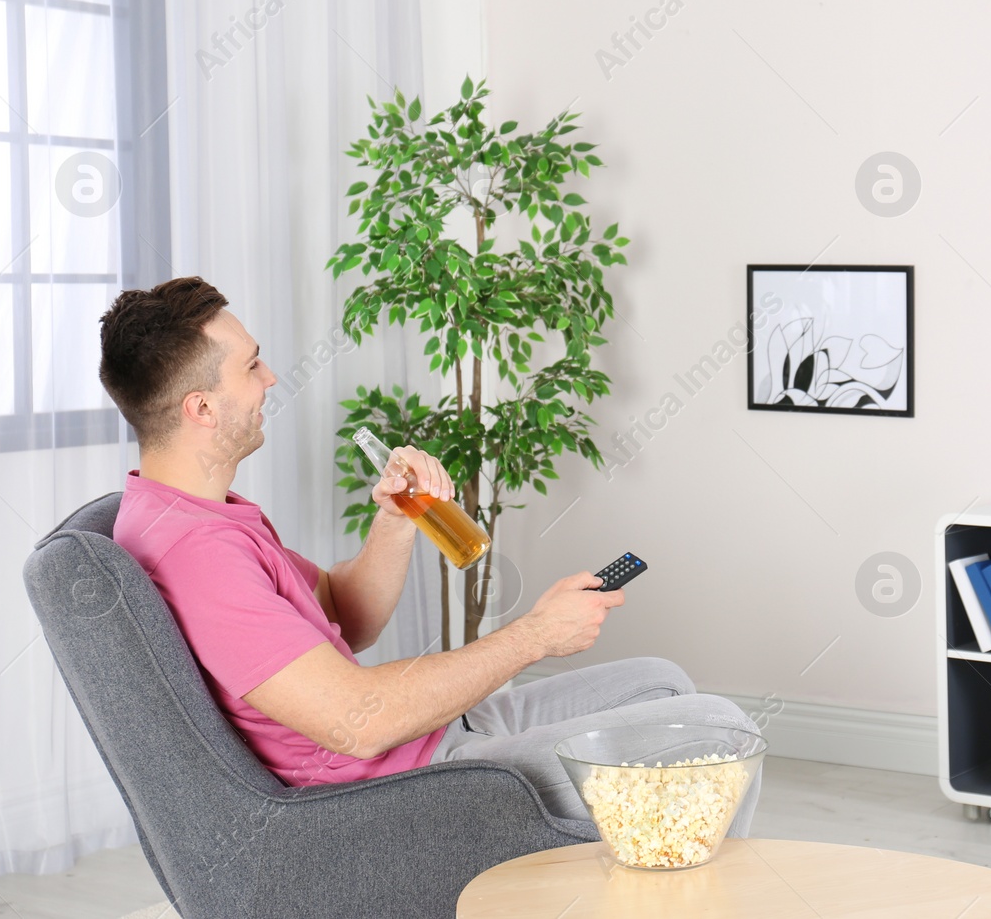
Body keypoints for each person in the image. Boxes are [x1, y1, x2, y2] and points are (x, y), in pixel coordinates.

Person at [97, 276, 759, 831]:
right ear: (202, 408)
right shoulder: (197, 555)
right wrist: (535, 635)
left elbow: (347, 618)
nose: (271, 377)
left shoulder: (203, 516)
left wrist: (396, 517)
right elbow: (359, 724)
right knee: (721, 730)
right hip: (409, 785)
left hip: (430, 738)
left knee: (662, 681)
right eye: (251, 365)